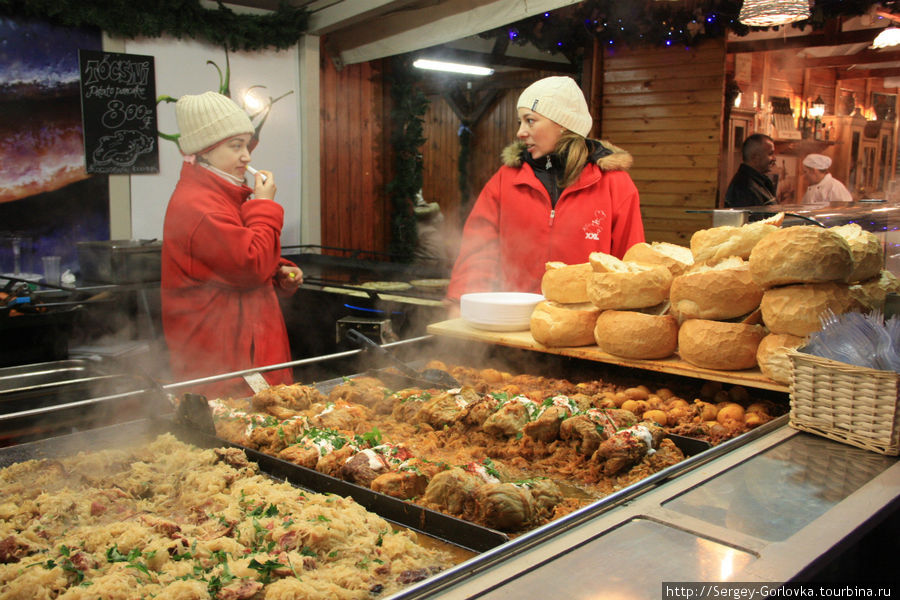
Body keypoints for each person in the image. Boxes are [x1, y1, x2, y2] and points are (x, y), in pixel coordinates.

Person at [445, 76, 645, 307]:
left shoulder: (614, 184)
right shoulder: (506, 179)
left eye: (530, 121)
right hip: (514, 319)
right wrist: (461, 301)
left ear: (563, 124)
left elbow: (629, 263)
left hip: (584, 324)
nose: (520, 132)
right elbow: (478, 249)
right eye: (520, 122)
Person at [161, 91, 302, 397]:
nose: (247, 156)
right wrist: (264, 204)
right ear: (204, 151)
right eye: (235, 146)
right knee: (236, 440)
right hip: (227, 369)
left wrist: (277, 269)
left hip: (245, 355)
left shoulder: (222, 195)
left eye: (247, 145)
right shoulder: (200, 206)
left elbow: (233, 261)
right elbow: (248, 266)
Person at [724, 133, 778, 208]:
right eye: (770, 154)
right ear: (755, 158)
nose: (774, 158)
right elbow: (750, 219)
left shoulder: (760, 183)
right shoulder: (744, 189)